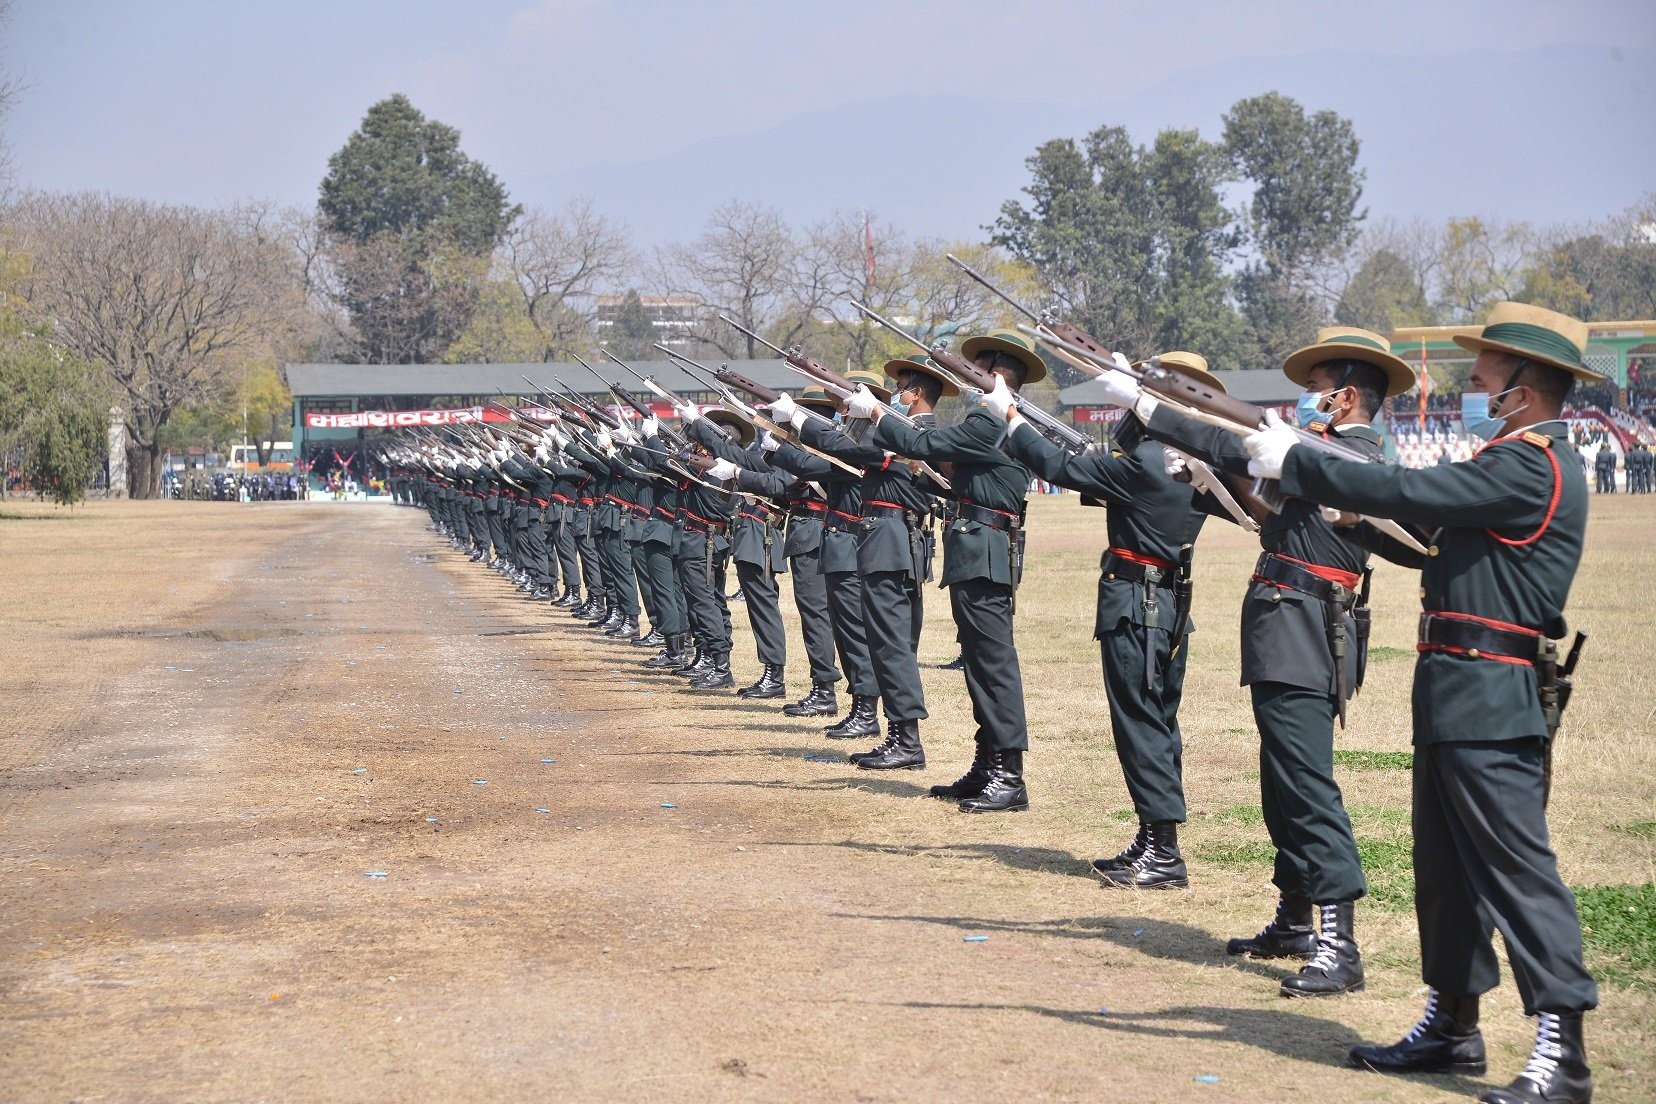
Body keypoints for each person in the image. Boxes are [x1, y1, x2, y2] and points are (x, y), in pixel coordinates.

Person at [1244, 302, 1599, 1104]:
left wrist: (1299, 457)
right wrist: (1352, 519)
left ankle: (1562, 1047)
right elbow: (1435, 539)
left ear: (1526, 387)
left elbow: (1410, 487)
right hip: (1452, 687)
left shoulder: (1531, 464)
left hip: (1492, 693)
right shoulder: (1510, 460)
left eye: (1483, 379)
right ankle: (1451, 1022)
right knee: (1444, 872)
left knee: (1514, 872)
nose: (1474, 389)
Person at [1095, 326, 1415, 997]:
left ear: (1346, 397)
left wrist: (1151, 408)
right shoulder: (1321, 456)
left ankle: (1338, 942)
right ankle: (1296, 918)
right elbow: (1271, 520)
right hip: (1283, 629)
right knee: (1282, 783)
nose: (1304, 402)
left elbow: (1230, 440)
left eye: (1316, 391)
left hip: (1304, 628)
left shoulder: (1351, 461)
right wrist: (1210, 482)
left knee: (1305, 783)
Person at [992, 352, 1228, 876]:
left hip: (1137, 605)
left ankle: (1161, 850)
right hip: (1167, 605)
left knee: (1140, 722)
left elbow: (1059, 467)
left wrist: (1011, 418)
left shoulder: (1149, 461)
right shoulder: (1193, 462)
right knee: (1158, 721)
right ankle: (1154, 837)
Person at [867, 335, 1040, 813]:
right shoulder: (993, 417)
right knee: (980, 665)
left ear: (998, 375)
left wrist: (878, 414)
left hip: (984, 551)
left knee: (993, 666)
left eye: (976, 369)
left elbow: (927, 442)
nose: (967, 378)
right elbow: (956, 469)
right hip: (975, 547)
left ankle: (1009, 775)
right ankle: (988, 765)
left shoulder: (993, 418)